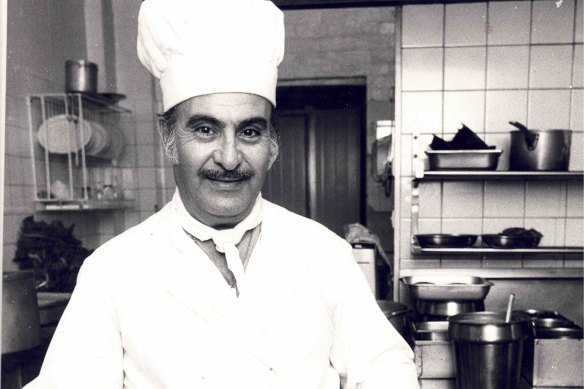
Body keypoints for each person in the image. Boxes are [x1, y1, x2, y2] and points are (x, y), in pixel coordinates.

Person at [25, 0, 418, 388]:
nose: (229, 158)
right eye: (205, 130)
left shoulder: (325, 255)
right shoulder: (112, 272)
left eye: (249, 131)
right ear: (169, 140)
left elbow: (386, 366)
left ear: (272, 144)